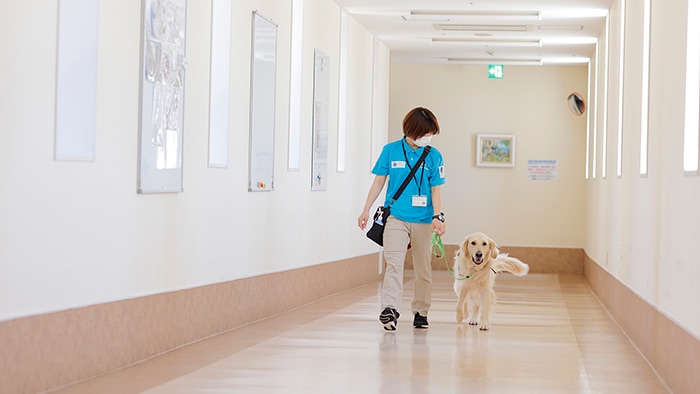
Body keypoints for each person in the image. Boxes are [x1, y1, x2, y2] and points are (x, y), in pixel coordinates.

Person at [357, 107, 446, 331]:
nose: (429, 137)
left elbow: (436, 190)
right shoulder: (391, 150)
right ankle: (390, 309)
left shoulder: (434, 156)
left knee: (423, 269)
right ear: (412, 130)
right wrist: (366, 209)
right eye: (426, 132)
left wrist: (437, 217)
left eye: (432, 133)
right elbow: (378, 182)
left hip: (424, 220)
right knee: (394, 265)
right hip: (395, 217)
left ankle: (421, 311)